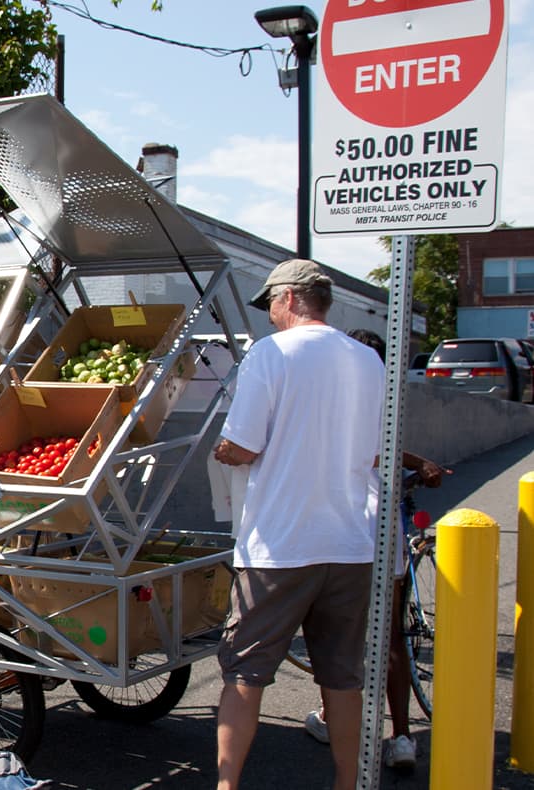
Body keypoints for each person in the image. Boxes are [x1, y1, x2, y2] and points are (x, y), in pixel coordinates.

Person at [211, 259, 385, 790]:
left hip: (280, 546)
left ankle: (226, 786)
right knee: (342, 675)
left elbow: (242, 445)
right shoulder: (369, 360)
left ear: (288, 299)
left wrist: (221, 450)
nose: (269, 318)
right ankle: (346, 783)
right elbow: (376, 452)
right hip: (350, 542)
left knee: (244, 671)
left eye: (271, 307)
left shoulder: (271, 354)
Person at [302, 328, 448, 772]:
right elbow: (377, 451)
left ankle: (336, 722)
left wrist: (413, 461)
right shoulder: (381, 393)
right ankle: (400, 737)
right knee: (391, 638)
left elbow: (365, 452)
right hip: (381, 532)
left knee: (333, 636)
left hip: (341, 533)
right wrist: (419, 463)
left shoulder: (329, 393)